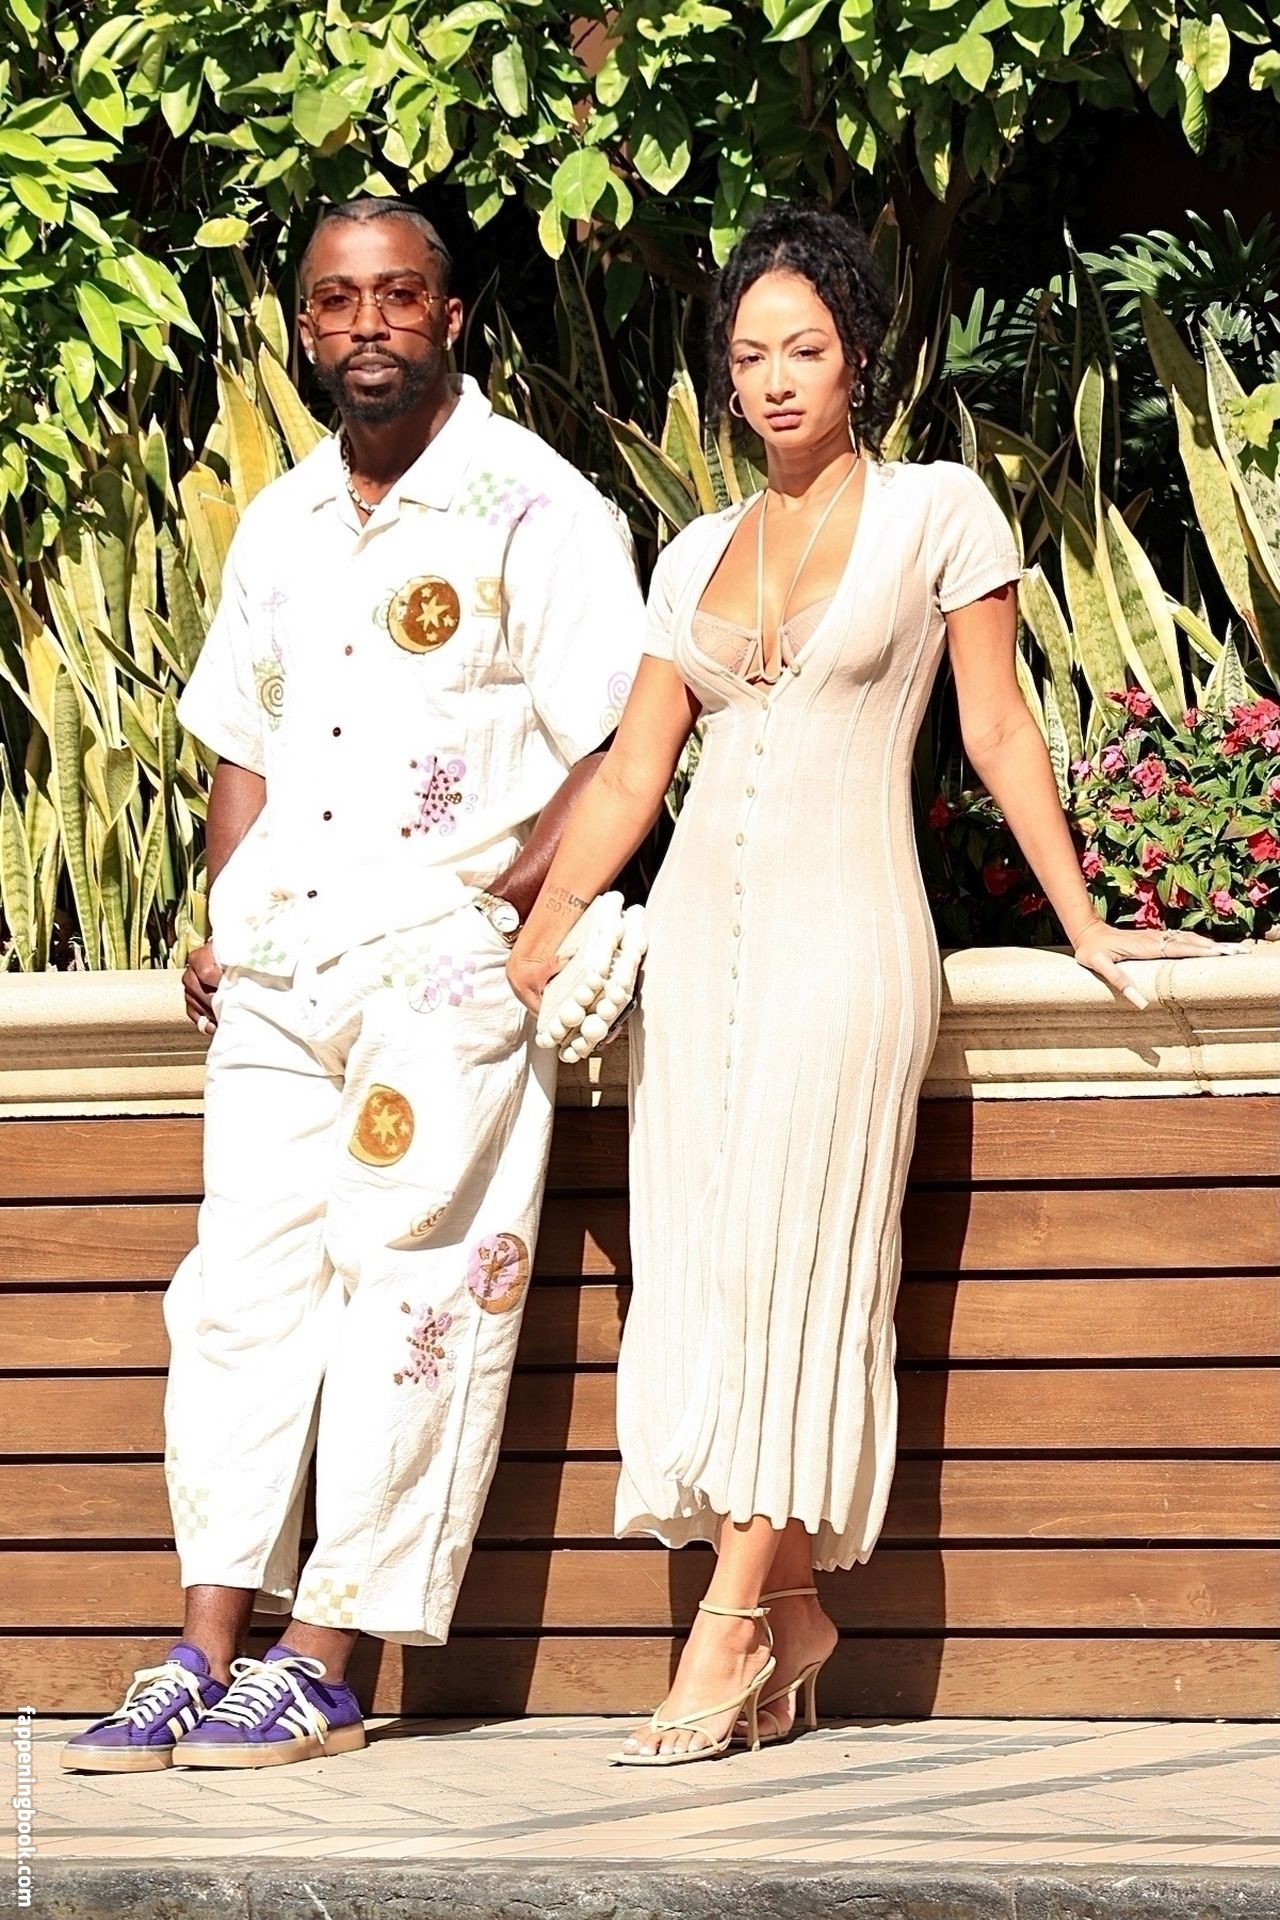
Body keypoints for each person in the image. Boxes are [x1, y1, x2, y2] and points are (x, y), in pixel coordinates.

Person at [507, 202, 1227, 1767]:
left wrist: (1088, 922)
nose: (775, 379)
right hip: (696, 950)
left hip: (849, 940)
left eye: (805, 349)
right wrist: (540, 932)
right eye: (749, 355)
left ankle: (727, 1626)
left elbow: (996, 730)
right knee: (710, 1275)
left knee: (809, 1269)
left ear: (859, 362)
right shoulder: (694, 549)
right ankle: (794, 1621)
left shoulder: (937, 512)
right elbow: (632, 777)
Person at [60, 197, 646, 1774]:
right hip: (279, 974)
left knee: (411, 1288)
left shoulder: (539, 509)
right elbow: (240, 744)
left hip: (442, 974)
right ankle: (202, 1643)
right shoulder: (282, 522)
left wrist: (508, 925)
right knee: (235, 1298)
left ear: (452, 317)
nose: (366, 323)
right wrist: (225, 905)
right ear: (306, 328)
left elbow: (617, 748)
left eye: (398, 295)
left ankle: (324, 1657)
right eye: (336, 300)